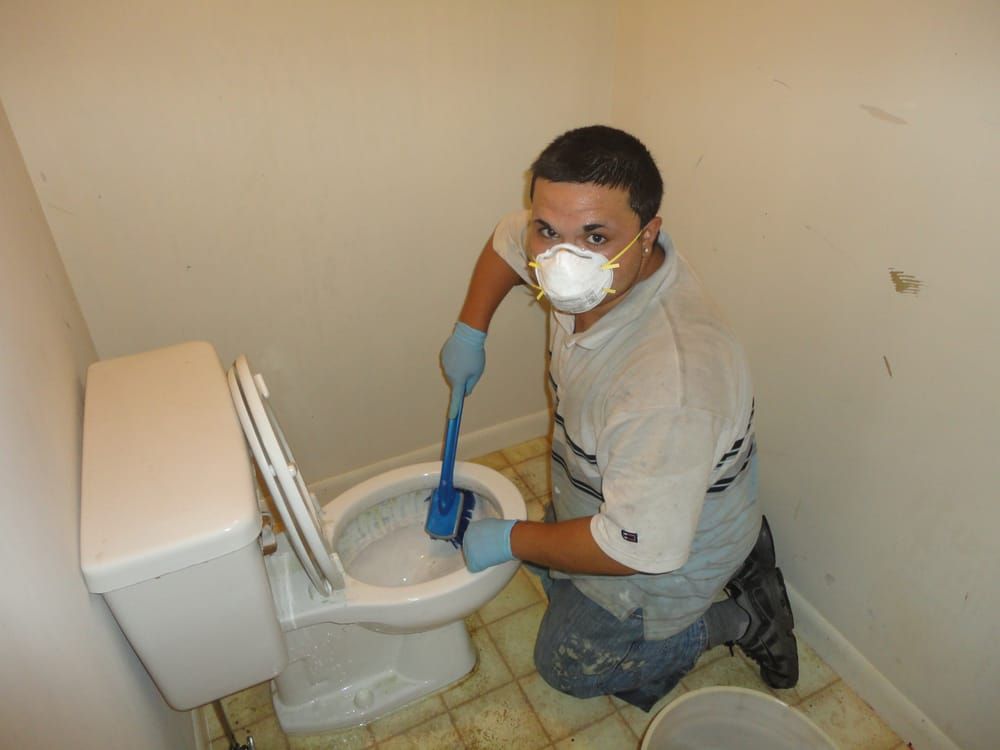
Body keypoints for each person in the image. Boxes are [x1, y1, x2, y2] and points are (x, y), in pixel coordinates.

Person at [439, 125, 798, 710]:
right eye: (548, 230)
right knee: (555, 571)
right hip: (640, 491)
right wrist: (469, 331)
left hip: (664, 554)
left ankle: (742, 617)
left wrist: (511, 539)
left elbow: (633, 548)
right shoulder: (575, 254)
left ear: (648, 232)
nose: (561, 262)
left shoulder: (668, 382)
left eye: (595, 236)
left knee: (566, 665)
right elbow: (509, 239)